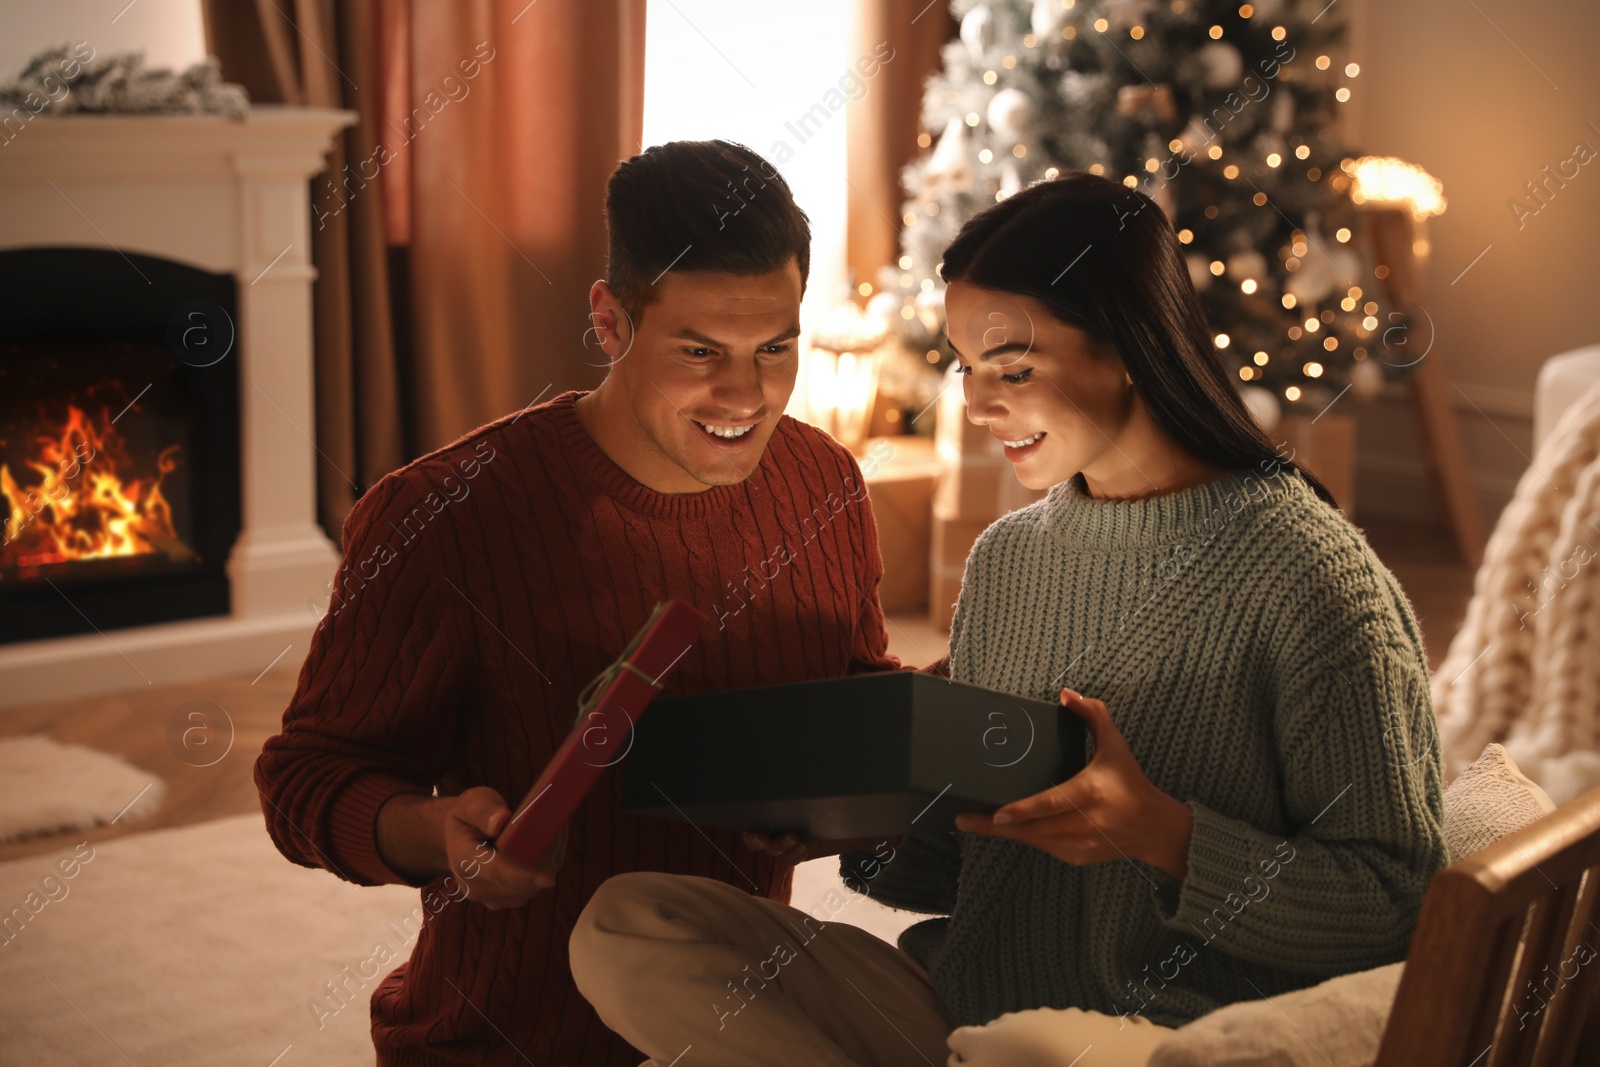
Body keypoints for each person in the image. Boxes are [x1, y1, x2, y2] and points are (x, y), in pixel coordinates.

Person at [569, 172, 1450, 1066]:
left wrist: (1161, 834)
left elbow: (1399, 904)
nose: (977, 405)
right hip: (963, 1007)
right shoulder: (1008, 560)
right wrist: (867, 823)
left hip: (1159, 1038)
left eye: (1014, 370)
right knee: (631, 923)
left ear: (1136, 348)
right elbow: (981, 870)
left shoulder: (1315, 581)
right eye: (966, 368)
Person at [255, 139, 917, 1067]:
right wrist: (436, 833)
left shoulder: (825, 482)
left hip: (734, 1030)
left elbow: (854, 701)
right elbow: (304, 778)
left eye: (776, 348)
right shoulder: (440, 513)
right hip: (504, 1041)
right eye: (700, 351)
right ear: (610, 322)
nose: (748, 394)